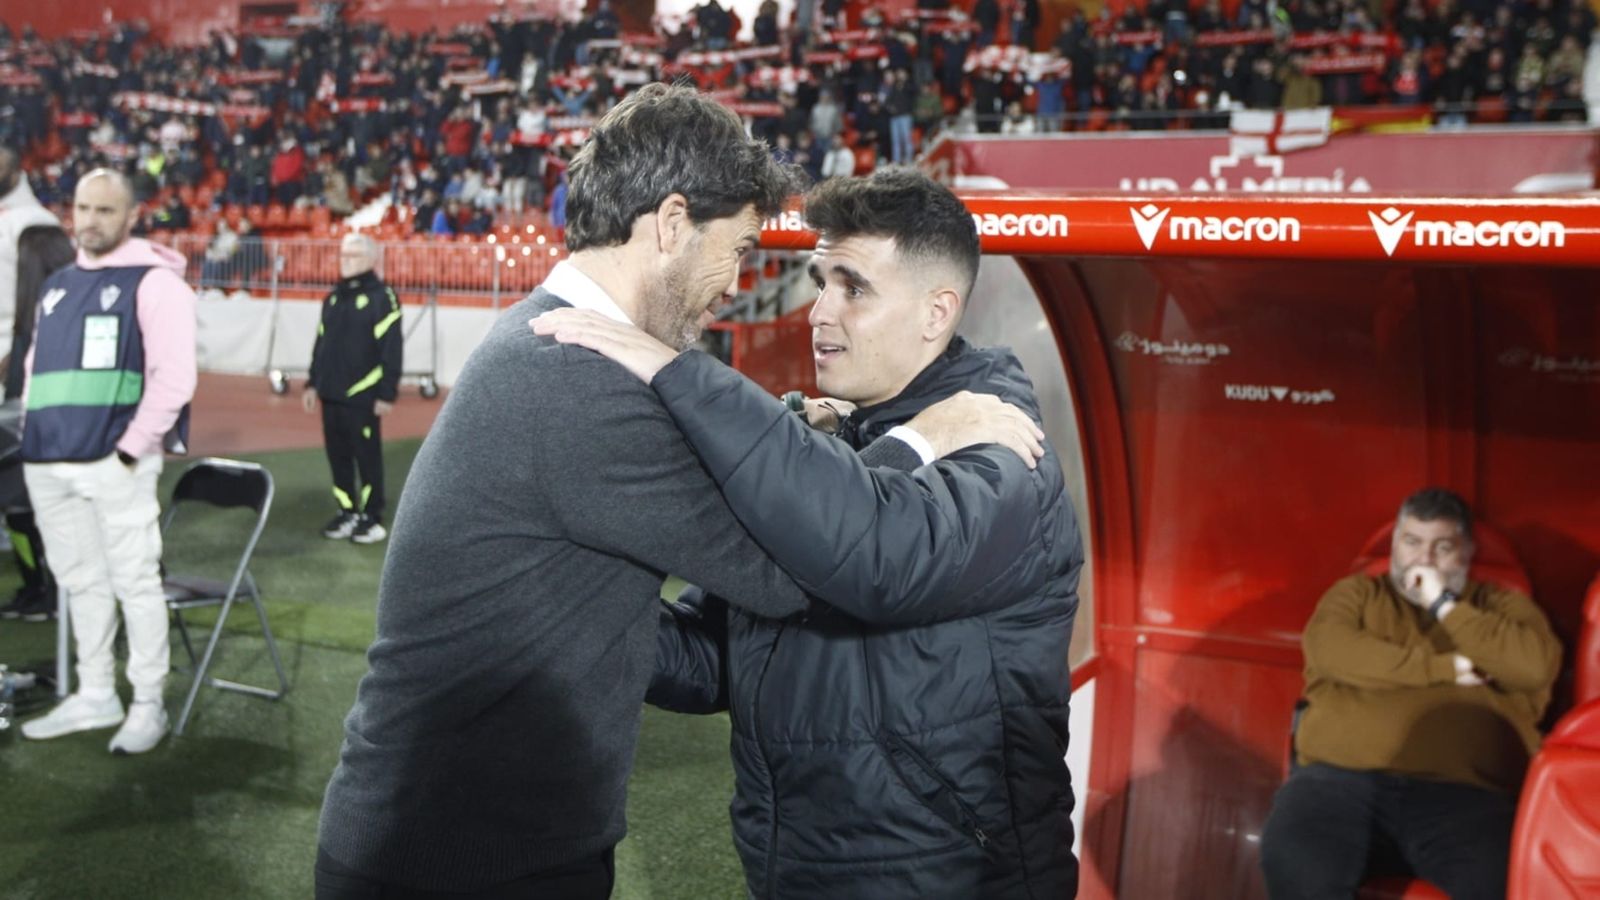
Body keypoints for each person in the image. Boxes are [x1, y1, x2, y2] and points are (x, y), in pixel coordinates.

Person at [532, 167, 1083, 898]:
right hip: (798, 870)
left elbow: (878, 555)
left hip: (947, 878)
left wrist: (682, 376)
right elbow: (719, 653)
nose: (818, 312)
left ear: (935, 313)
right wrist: (568, 610)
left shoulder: (1001, 451)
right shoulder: (844, 446)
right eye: (819, 281)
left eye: (852, 287)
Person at [1260, 488, 1561, 900]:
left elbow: (1533, 666)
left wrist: (1445, 606)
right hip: (1337, 786)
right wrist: (1446, 669)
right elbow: (1329, 648)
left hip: (1465, 800)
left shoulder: (1502, 607)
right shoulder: (1358, 594)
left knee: (1505, 883)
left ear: (1468, 553)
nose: (1424, 560)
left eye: (1442, 547)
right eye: (1412, 542)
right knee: (1296, 865)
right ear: (1395, 545)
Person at [16, 168, 197, 755]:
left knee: (135, 583)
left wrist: (130, 447)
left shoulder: (156, 283)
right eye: (83, 208)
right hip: (48, 459)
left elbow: (175, 379)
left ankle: (148, 702)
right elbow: (33, 368)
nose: (90, 220)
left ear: (131, 215)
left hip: (112, 460)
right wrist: (33, 435)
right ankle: (97, 692)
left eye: (105, 210)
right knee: (80, 583)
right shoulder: (59, 284)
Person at [0, 142, 73, 622]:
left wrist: (17, 355)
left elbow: (46, 300)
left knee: (28, 495)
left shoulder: (33, 224)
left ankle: (50, 586)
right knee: (15, 500)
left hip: (23, 377)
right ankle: (36, 583)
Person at [301, 233, 402, 544]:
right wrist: (312, 382)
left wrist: (386, 392)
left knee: (367, 458)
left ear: (372, 260)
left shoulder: (383, 297)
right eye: (344, 255)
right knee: (338, 458)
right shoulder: (332, 298)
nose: (347, 260)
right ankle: (347, 511)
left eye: (355, 255)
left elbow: (391, 348)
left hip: (363, 396)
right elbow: (321, 345)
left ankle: (371, 516)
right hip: (330, 396)